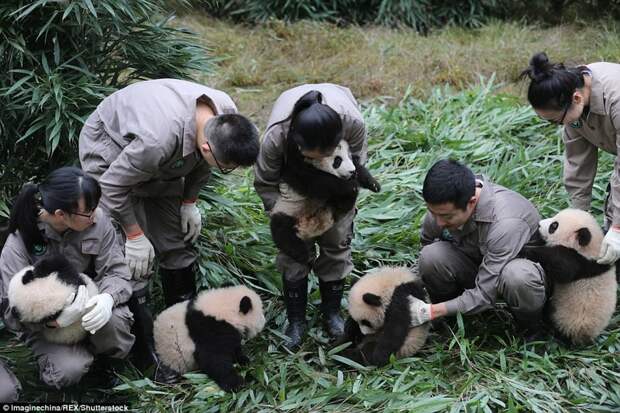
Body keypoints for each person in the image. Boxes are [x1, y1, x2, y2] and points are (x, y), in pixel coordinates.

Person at [79, 79, 260, 370]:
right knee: (134, 262)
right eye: (228, 168)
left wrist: (189, 202)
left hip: (169, 159)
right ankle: (143, 348)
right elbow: (111, 187)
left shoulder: (225, 116)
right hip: (111, 148)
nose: (230, 172)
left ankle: (181, 328)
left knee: (175, 244)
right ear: (205, 146)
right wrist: (134, 234)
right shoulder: (156, 141)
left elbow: (203, 164)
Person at [254, 84, 368, 349]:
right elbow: (265, 183)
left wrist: (335, 213)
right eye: (318, 156)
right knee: (292, 250)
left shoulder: (352, 123)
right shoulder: (276, 137)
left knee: (337, 241)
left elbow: (356, 169)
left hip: (339, 179)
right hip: (291, 181)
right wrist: (287, 223)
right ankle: (296, 320)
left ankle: (331, 312)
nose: (323, 159)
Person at [0, 167, 134, 389]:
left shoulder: (98, 222)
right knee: (67, 372)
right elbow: (10, 311)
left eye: (94, 208)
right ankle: (75, 359)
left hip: (91, 304)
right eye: (87, 212)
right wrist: (53, 321)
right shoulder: (20, 240)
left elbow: (117, 272)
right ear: (61, 214)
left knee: (114, 324)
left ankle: (107, 362)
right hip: (50, 327)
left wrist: (107, 298)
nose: (94, 216)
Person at [407, 160, 547, 339]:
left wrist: (430, 311)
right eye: (433, 213)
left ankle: (532, 329)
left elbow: (485, 294)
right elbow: (425, 247)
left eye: (446, 217)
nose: (439, 222)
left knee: (518, 276)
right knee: (431, 255)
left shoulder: (507, 223)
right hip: (478, 265)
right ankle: (453, 321)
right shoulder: (442, 207)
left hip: (515, 278)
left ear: (471, 202)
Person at [520, 52, 620, 265]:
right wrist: (578, 216)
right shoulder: (573, 106)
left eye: (556, 121)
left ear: (576, 98)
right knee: (611, 235)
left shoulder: (616, 98)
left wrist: (618, 227)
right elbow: (578, 164)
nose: (558, 125)